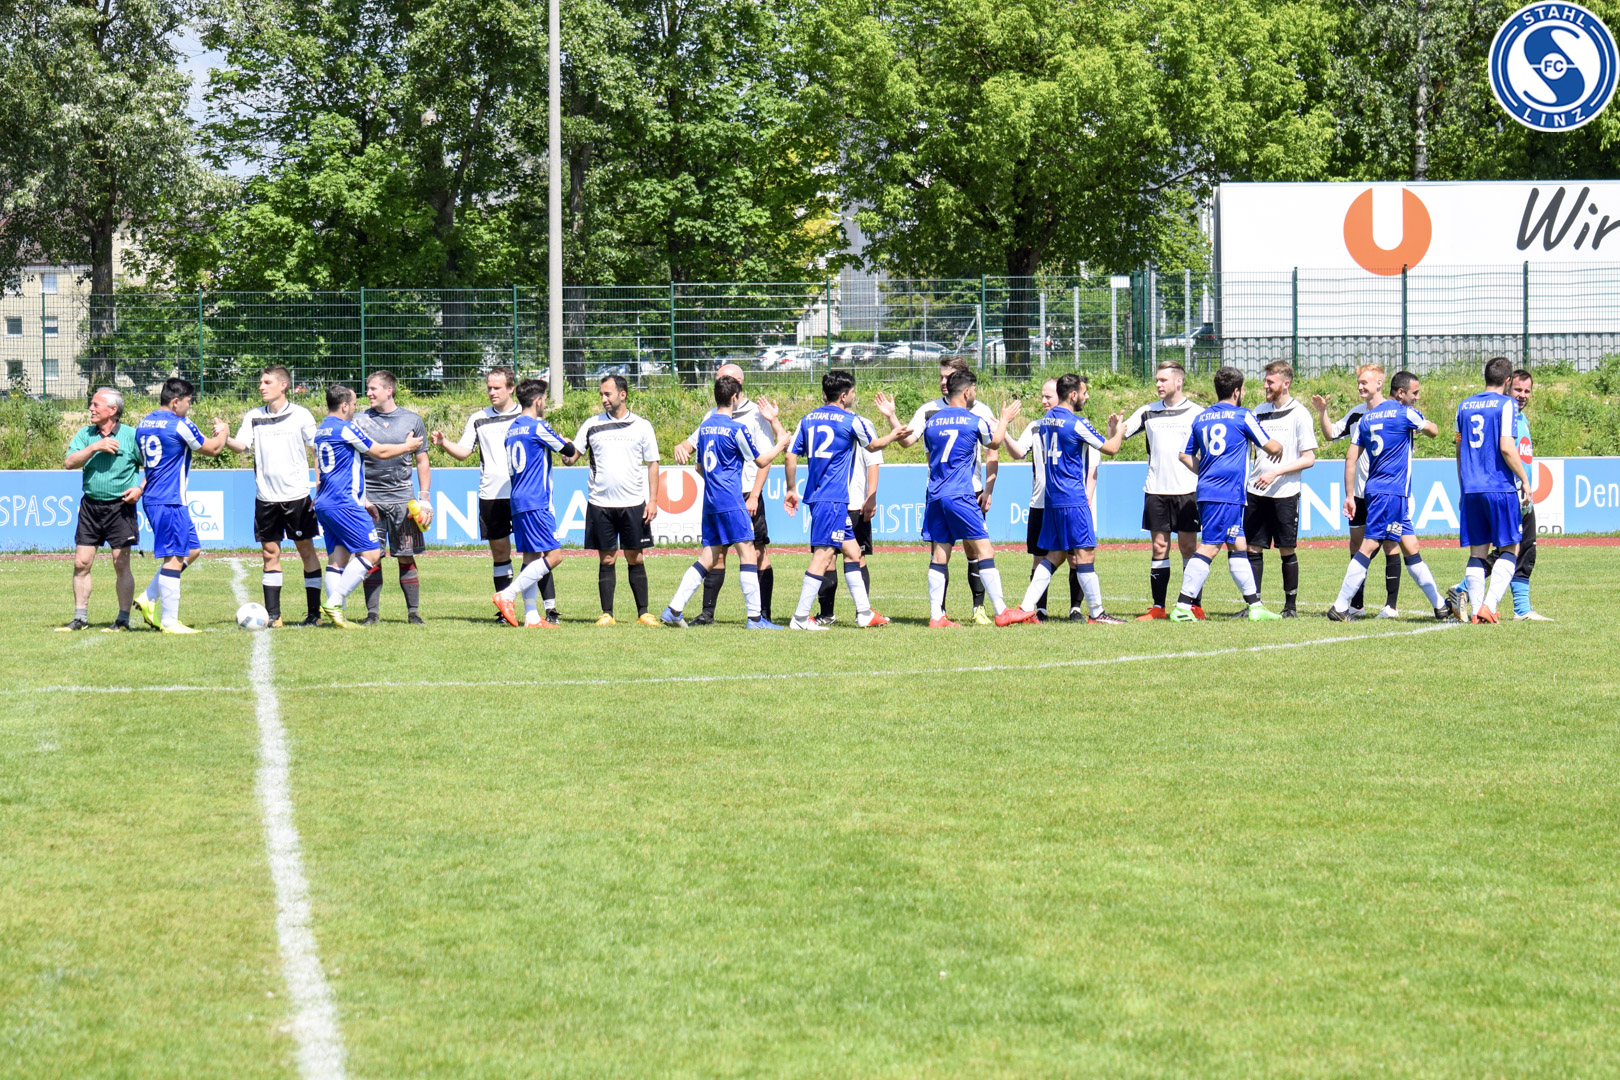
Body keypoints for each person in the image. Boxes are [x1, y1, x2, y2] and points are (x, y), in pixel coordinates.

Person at [889, 368, 1019, 628]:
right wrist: (1005, 419)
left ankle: (936, 615)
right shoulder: (973, 419)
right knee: (985, 551)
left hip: (935, 494)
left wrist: (892, 416)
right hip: (961, 494)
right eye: (974, 390)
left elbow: (910, 443)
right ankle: (1002, 611)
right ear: (967, 392)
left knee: (940, 555)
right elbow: (994, 443)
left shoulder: (931, 421)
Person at [782, 369, 910, 630]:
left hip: (823, 497)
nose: (854, 396)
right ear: (843, 396)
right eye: (852, 392)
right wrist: (893, 435)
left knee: (852, 552)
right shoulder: (850, 420)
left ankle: (864, 613)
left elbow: (790, 455)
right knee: (824, 555)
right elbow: (873, 446)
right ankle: (800, 618)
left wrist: (792, 488)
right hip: (832, 498)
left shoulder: (807, 419)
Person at [660, 375, 789, 627]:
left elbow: (699, 467)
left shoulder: (705, 427)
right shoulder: (736, 429)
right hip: (732, 500)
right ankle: (755, 618)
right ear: (734, 397)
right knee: (748, 554)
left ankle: (674, 609)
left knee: (708, 558)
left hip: (710, 502)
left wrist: (716, 481)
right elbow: (761, 461)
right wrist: (781, 443)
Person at [1325, 371, 1455, 622]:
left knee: (1411, 547)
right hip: (1391, 492)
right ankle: (1340, 607)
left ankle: (1440, 606)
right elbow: (1435, 431)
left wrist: (1349, 495)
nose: (1417, 398)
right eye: (1415, 393)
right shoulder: (1405, 413)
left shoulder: (1367, 418)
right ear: (1400, 393)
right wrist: (1421, 425)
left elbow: (1351, 458)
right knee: (1368, 546)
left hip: (1377, 490)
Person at [433, 367, 556, 623]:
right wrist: (444, 443)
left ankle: (548, 610)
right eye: (489, 387)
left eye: (497, 387)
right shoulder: (479, 418)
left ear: (511, 388)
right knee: (500, 554)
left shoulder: (526, 416)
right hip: (491, 494)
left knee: (538, 551)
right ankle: (505, 611)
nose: (491, 392)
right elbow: (464, 451)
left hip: (522, 494)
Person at [1005, 373, 1126, 624]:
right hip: (1073, 498)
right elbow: (1112, 448)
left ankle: (1025, 608)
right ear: (1072, 395)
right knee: (1085, 554)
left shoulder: (1045, 422)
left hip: (1052, 500)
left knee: (1055, 555)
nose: (1086, 397)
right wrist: (1119, 432)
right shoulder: (1077, 423)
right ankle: (1097, 612)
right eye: (1084, 392)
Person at [1169, 366, 1285, 622]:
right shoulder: (1243, 416)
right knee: (1210, 546)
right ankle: (1182, 606)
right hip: (1226, 493)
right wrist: (1281, 447)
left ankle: (1255, 606)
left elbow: (1184, 455)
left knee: (1238, 544)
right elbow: (1271, 446)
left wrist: (1207, 470)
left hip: (1210, 491)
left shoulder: (1201, 418)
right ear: (1236, 391)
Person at [312, 385, 423, 628]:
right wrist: (408, 447)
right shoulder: (346, 427)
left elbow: (336, 470)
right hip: (344, 503)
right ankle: (334, 602)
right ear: (344, 405)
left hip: (325, 502)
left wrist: (364, 499)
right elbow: (380, 451)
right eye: (353, 404)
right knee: (372, 553)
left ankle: (337, 615)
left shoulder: (321, 429)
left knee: (338, 559)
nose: (355, 408)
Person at [224, 365, 323, 627]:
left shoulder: (301, 414)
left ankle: (314, 614)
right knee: (270, 553)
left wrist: (319, 484)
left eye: (267, 382)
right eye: (261, 382)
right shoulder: (254, 416)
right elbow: (241, 446)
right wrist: (225, 437)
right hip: (266, 497)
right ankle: (273, 615)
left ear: (283, 385)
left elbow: (317, 450)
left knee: (306, 551)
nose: (261, 387)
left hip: (297, 496)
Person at [130, 377, 228, 633]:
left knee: (192, 549)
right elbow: (213, 449)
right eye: (188, 401)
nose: (189, 406)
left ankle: (149, 597)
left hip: (154, 497)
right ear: (175, 402)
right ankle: (170, 621)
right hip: (170, 500)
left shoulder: (144, 423)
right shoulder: (180, 424)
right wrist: (224, 432)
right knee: (174, 559)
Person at [1452, 368, 1548, 621]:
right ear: (1507, 384)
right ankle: (1477, 598)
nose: (1522, 395)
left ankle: (1499, 608)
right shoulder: (1505, 410)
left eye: (1527, 391)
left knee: (1518, 549)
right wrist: (1524, 482)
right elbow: (1506, 449)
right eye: (1518, 389)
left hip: (1481, 489)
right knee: (1513, 549)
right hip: (1507, 490)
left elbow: (1460, 449)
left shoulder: (1471, 407)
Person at [567, 374, 661, 626]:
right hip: (600, 504)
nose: (603, 399)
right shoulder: (591, 425)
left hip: (633, 503)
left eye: (607, 394)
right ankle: (607, 614)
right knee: (607, 559)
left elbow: (653, 464)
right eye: (601, 394)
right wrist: (564, 449)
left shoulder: (642, 426)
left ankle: (644, 613)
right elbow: (571, 457)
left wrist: (653, 501)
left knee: (635, 557)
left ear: (623, 394)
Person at [1119, 361, 1205, 620]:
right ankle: (1158, 607)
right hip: (1156, 490)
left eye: (1163, 380)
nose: (1158, 384)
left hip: (1188, 490)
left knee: (1188, 547)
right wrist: (1114, 427)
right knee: (1159, 547)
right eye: (1157, 380)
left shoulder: (1198, 413)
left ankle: (1194, 605)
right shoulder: (1148, 411)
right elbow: (1120, 435)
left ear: (1179, 381)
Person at [1312, 364, 1400, 617]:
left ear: (1380, 383)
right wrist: (1323, 412)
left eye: (1364, 382)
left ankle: (1390, 606)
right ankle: (1357, 605)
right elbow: (1330, 434)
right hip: (1360, 493)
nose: (1360, 386)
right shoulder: (1356, 414)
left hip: (1385, 491)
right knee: (1357, 544)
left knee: (1390, 544)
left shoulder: (1395, 413)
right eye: (1358, 382)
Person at [491, 380, 577, 627]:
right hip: (536, 500)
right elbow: (568, 450)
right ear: (538, 400)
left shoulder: (512, 429)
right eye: (545, 399)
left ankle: (531, 616)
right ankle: (507, 594)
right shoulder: (538, 426)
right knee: (555, 556)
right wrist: (565, 440)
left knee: (530, 557)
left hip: (517, 500)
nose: (545, 404)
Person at [59, 388, 143, 631]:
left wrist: (140, 489)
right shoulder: (86, 435)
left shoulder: (132, 436)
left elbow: (154, 467)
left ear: (113, 410)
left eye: (96, 405)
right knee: (81, 563)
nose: (91, 408)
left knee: (121, 563)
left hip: (121, 508)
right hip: (90, 507)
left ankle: (123, 620)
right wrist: (95, 447)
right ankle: (80, 618)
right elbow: (69, 462)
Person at [355, 370, 432, 624]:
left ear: (389, 390)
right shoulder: (359, 420)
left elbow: (422, 460)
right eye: (368, 388)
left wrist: (424, 498)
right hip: (370, 502)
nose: (368, 393)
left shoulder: (412, 420)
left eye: (373, 388)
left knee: (406, 557)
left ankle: (413, 613)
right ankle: (372, 614)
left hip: (403, 501)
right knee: (371, 557)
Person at [1003, 378, 1084, 621]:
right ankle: (1039, 610)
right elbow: (1018, 452)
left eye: (1048, 396)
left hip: (1067, 502)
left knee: (1074, 557)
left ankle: (1076, 609)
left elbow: (1090, 466)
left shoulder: (1076, 425)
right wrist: (1003, 430)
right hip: (1040, 503)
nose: (1043, 401)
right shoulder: (1036, 427)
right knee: (1040, 557)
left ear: (1061, 395)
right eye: (1042, 396)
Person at [1245, 361, 1317, 617]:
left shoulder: (1300, 414)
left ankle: (1290, 607)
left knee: (1286, 549)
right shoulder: (1258, 411)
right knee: (1252, 547)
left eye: (1270, 382)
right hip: (1256, 491)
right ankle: (1254, 605)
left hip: (1285, 492)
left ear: (1285, 384)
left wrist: (1276, 471)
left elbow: (1309, 458)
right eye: (1265, 381)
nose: (1265, 385)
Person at [815, 441, 879, 625]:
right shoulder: (854, 427)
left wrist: (871, 497)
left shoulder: (862, 430)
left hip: (853, 504)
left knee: (855, 557)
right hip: (834, 502)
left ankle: (861, 613)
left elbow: (873, 462)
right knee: (829, 558)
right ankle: (828, 614)